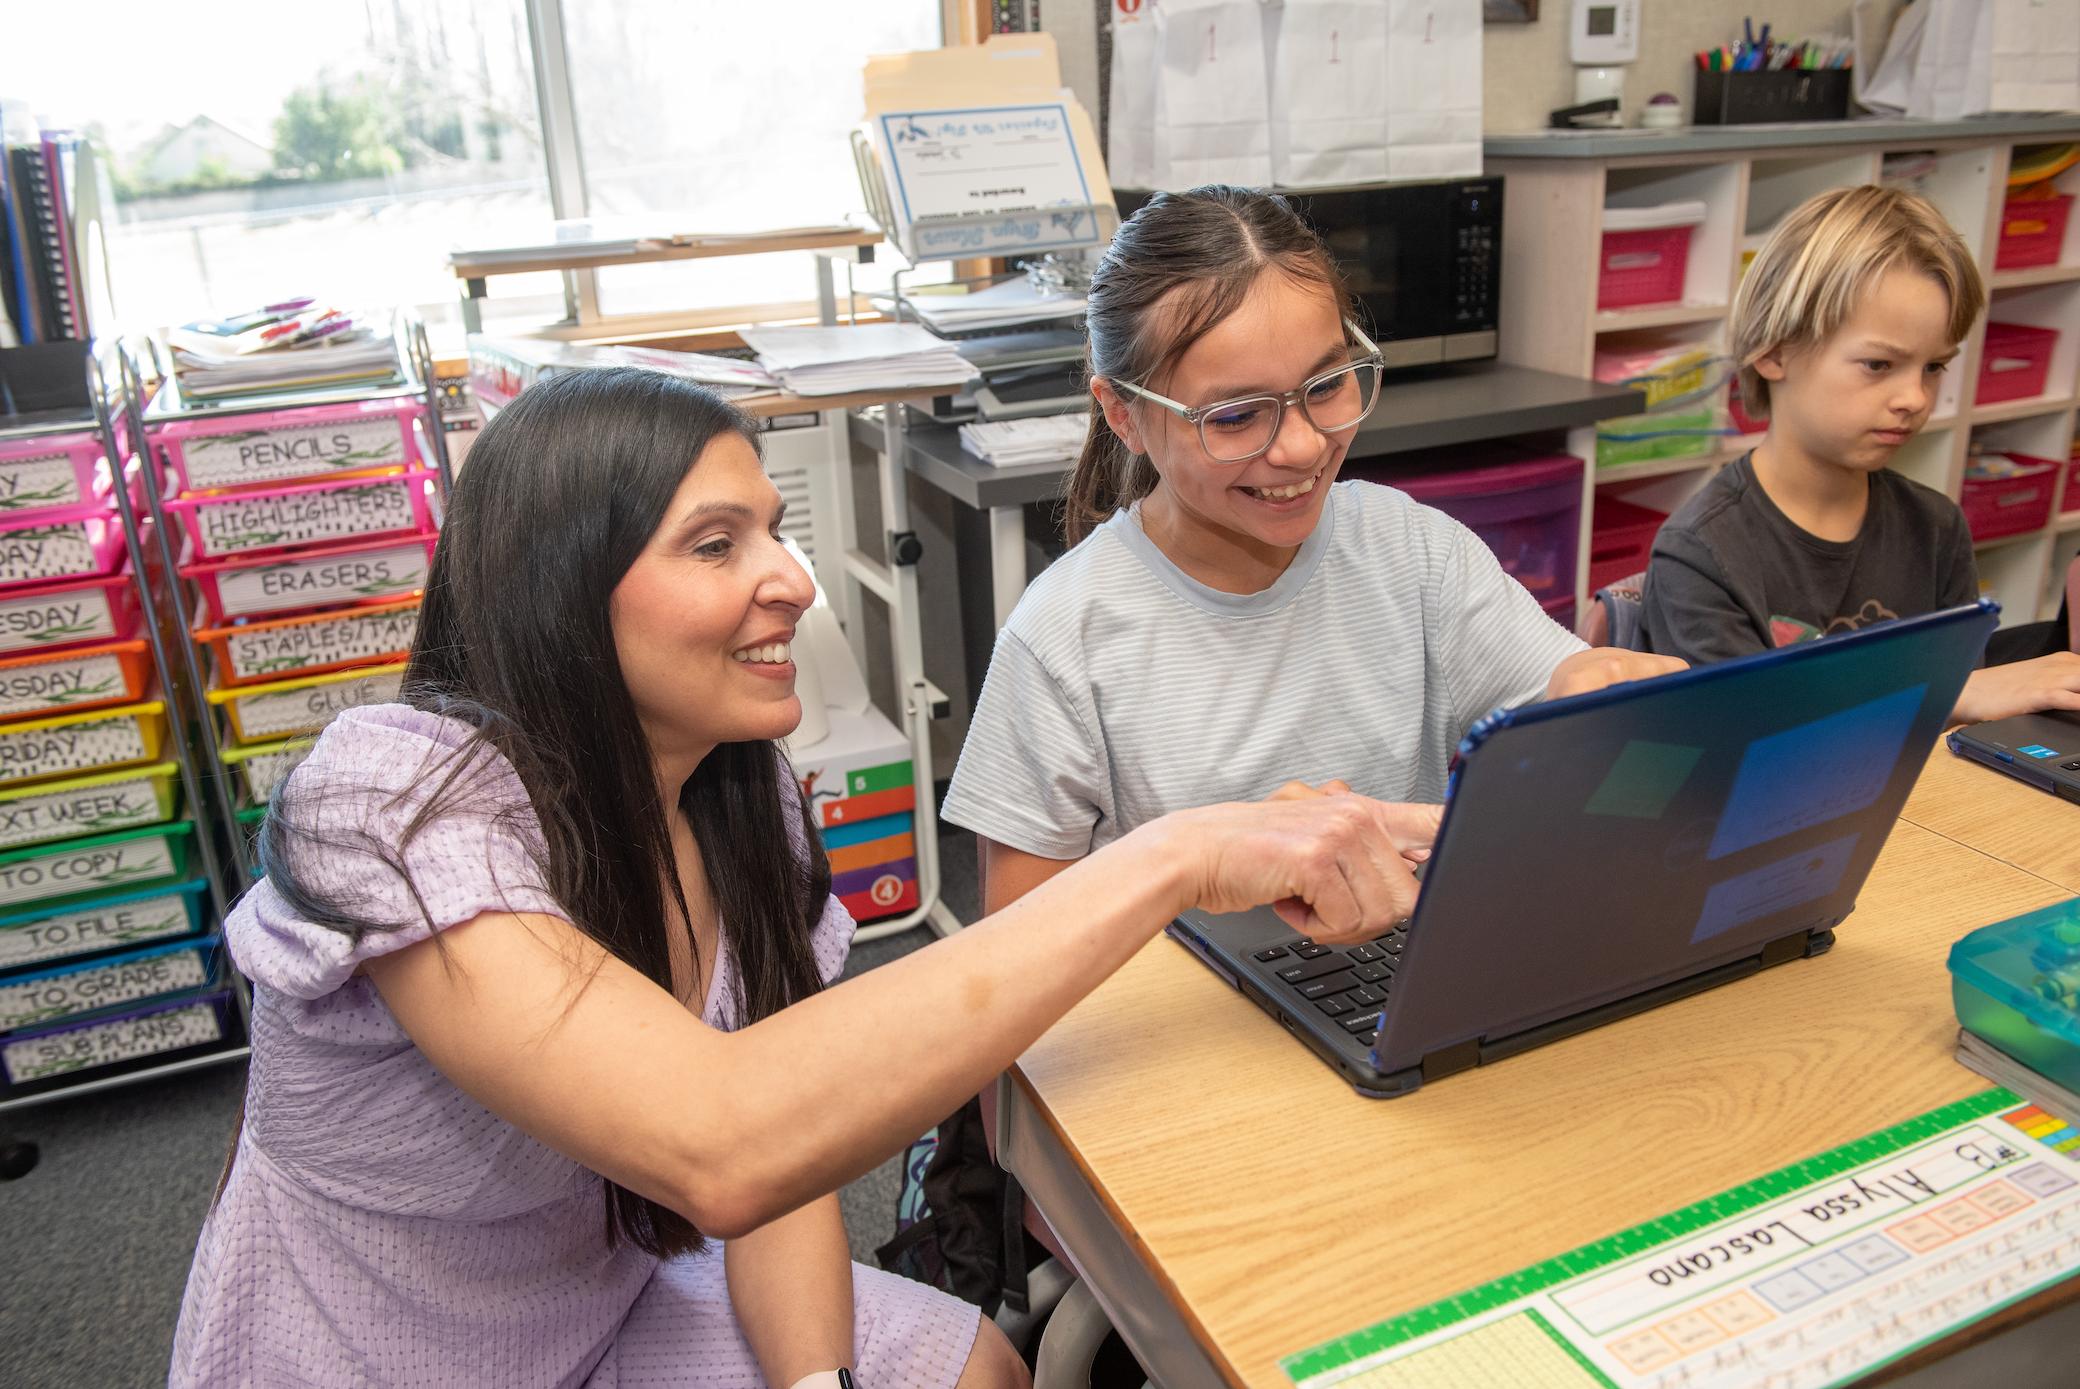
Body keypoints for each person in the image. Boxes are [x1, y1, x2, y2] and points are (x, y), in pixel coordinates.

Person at [168, 368, 1422, 1389]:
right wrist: (1177, 851)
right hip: (371, 1358)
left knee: (981, 1368)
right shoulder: (396, 795)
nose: (790, 578)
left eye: (772, 529)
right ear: (560, 589)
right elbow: (724, 1140)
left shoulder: (743, 797)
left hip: (605, 1306)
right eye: (716, 544)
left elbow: (784, 1165)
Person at [941, 184, 1682, 915]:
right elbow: (1015, 963)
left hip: (1388, 976)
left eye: (1326, 385)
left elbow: (1570, 703)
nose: (1300, 448)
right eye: (1234, 416)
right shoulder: (1063, 638)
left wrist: (1600, 689)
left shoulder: (1414, 553)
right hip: (1177, 1020)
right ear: (1124, 414)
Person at [1640, 184, 2080, 722]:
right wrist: (1950, 696)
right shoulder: (1701, 551)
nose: (1914, 398)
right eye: (1878, 365)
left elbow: (1955, 740)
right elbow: (1742, 740)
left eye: (1933, 368)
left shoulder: (1936, 528)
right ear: (1775, 353)